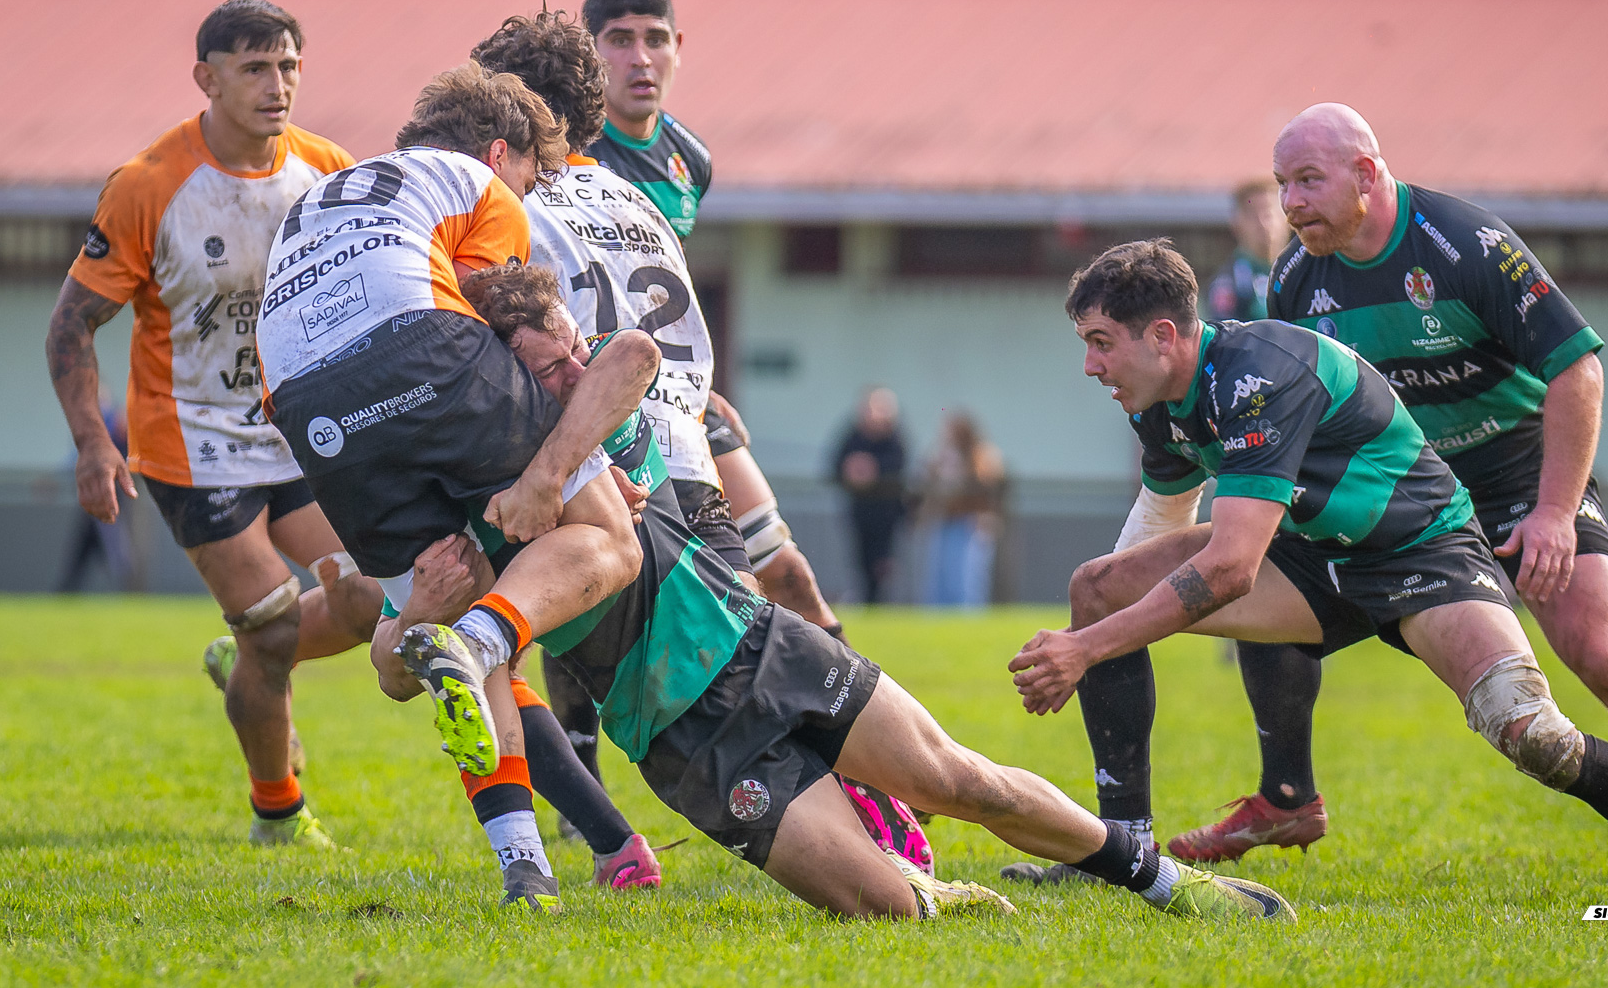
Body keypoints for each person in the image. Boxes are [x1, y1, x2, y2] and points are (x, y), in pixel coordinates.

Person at [440, 260, 1295, 923]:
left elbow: (633, 354)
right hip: (682, 736)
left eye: (570, 352)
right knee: (882, 911)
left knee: (964, 781)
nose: (572, 372)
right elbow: (408, 657)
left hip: (766, 645)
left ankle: (1168, 885)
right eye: (549, 368)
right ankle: (923, 888)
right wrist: (422, 611)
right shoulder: (480, 503)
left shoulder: (597, 407)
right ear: (502, 381)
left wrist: (555, 460)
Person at [1000, 239, 1608, 906]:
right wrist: (1097, 628)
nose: (1090, 364)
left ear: (1161, 335)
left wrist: (1087, 649)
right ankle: (1124, 853)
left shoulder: (1254, 376)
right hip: (1313, 556)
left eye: (1100, 342)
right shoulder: (1159, 399)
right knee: (1096, 586)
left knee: (1535, 737)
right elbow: (1158, 527)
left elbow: (1227, 568)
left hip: (1419, 553)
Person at [1166, 103, 1608, 864]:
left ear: (1368, 176)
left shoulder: (1463, 243)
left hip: (1518, 471)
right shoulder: (1294, 282)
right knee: (1265, 573)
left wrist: (1553, 512)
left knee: (1606, 658)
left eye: (1308, 181)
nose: (1290, 203)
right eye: (1283, 184)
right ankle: (1286, 799)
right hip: (1407, 489)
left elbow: (1577, 370)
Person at [470, 5, 933, 875]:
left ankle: (866, 823)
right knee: (741, 654)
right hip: (683, 446)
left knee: (678, 694)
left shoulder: (511, 203)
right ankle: (874, 802)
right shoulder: (631, 195)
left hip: (614, 462)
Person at [258, 61, 664, 911]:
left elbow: (391, 674)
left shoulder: (337, 193)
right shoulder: (480, 184)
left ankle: (526, 867)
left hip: (307, 408)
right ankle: (480, 637)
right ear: (496, 150)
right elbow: (508, 319)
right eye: (532, 174)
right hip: (417, 345)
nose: (533, 193)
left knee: (426, 630)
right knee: (609, 539)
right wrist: (568, 463)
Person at [46, 0, 384, 849]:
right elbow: (71, 326)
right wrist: (93, 442)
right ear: (207, 77)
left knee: (372, 598)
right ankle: (278, 810)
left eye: (290, 66)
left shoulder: (328, 169)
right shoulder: (150, 185)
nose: (278, 86)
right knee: (274, 622)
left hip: (303, 434)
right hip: (192, 446)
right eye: (255, 68)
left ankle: (245, 673)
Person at [583, 0, 841, 638]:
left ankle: (847, 734)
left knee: (786, 573)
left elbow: (665, 287)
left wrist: (702, 384)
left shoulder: (687, 159)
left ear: (678, 48)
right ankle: (577, 747)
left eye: (655, 39)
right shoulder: (568, 155)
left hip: (676, 398)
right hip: (588, 401)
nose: (640, 58)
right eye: (619, 41)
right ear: (589, 53)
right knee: (601, 581)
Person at [54, 389, 139, 594]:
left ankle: (130, 590)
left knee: (114, 546)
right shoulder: (89, 433)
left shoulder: (116, 427)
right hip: (96, 496)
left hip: (116, 497)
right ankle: (68, 590)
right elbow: (76, 459)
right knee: (94, 546)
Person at [832, 387, 910, 605]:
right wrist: (851, 470)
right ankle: (866, 599)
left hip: (887, 513)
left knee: (883, 562)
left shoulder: (895, 438)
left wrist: (872, 470)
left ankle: (882, 601)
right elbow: (836, 465)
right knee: (861, 560)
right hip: (860, 510)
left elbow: (898, 468)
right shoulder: (853, 436)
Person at [919, 413, 1006, 608]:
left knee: (966, 580)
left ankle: (968, 619)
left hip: (971, 522)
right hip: (945, 521)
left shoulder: (982, 455)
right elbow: (928, 486)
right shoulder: (942, 457)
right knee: (940, 578)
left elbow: (990, 488)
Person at [1205, 180, 1289, 324]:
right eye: (1253, 216)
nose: (1263, 224)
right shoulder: (1228, 283)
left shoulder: (1304, 271)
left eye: (1269, 213)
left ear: (1287, 219)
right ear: (1236, 223)